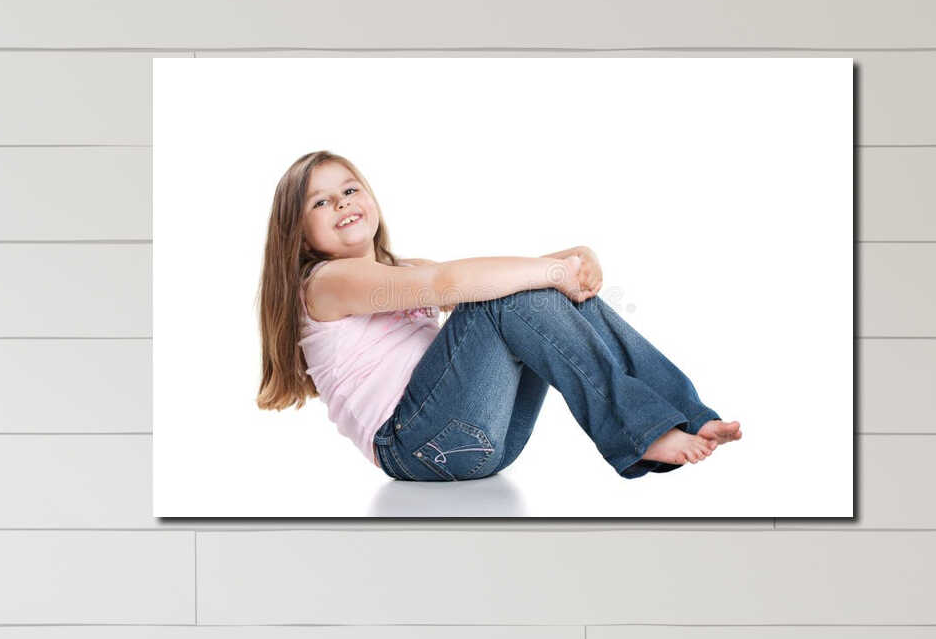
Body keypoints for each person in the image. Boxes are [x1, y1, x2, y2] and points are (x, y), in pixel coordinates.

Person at [255, 150, 740, 482]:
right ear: (298, 235)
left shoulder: (398, 271)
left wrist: (572, 261)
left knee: (527, 289)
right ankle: (640, 431)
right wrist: (554, 270)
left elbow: (486, 282)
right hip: (415, 447)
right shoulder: (325, 283)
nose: (342, 203)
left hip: (483, 439)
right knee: (512, 293)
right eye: (320, 202)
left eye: (350, 189)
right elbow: (450, 285)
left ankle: (686, 416)